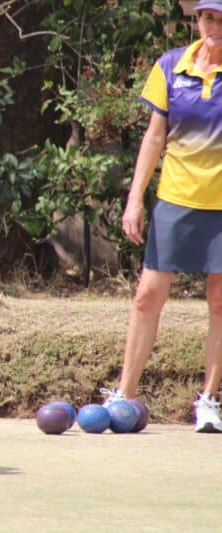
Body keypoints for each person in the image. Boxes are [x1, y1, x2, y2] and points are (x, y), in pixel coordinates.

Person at [104, 0, 222, 432]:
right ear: (197, 21)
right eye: (209, 17)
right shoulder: (171, 66)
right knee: (147, 295)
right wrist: (135, 198)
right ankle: (125, 394)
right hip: (175, 198)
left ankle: (209, 401)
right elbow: (154, 138)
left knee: (220, 302)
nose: (215, 26)